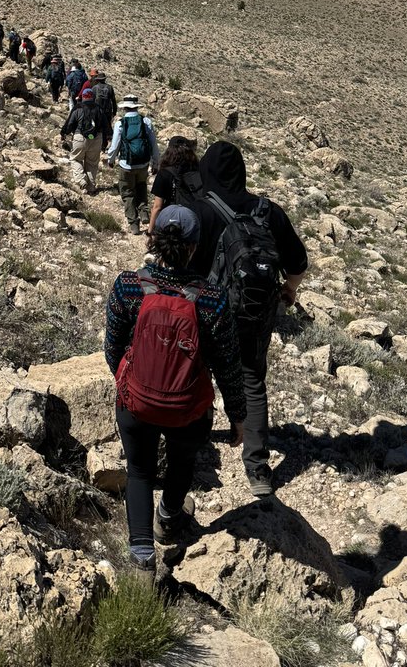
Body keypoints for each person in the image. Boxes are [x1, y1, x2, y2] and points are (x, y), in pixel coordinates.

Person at [104, 205, 246, 577]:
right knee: (182, 462)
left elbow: (112, 348)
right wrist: (238, 415)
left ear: (154, 239)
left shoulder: (128, 286)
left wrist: (128, 382)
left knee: (139, 471)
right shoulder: (212, 299)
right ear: (195, 246)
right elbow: (228, 364)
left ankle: (141, 558)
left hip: (136, 403)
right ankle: (167, 517)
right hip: (188, 407)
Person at [188, 141, 308, 497]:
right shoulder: (268, 211)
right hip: (256, 312)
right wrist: (289, 290)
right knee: (252, 379)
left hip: (208, 309)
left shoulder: (198, 211)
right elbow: (298, 264)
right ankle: (257, 469)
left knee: (200, 371)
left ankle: (197, 443)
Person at [105, 95, 159, 234]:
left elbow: (115, 145)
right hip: (143, 164)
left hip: (126, 165)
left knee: (128, 193)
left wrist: (110, 160)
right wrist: (155, 162)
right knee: (141, 187)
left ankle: (134, 224)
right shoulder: (146, 121)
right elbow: (153, 144)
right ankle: (144, 213)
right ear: (136, 106)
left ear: (125, 108)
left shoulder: (120, 123)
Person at [61, 84, 112, 194]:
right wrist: (108, 137)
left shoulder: (78, 108)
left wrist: (64, 133)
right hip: (96, 139)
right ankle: (91, 187)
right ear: (93, 97)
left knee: (75, 159)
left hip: (80, 138)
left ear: (83, 97)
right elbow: (106, 125)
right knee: (92, 163)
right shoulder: (99, 109)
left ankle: (81, 179)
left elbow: (70, 123)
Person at [147, 136, 201, 236]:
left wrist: (150, 231)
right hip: (194, 217)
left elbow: (157, 207)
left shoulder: (164, 173)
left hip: (171, 219)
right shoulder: (196, 170)